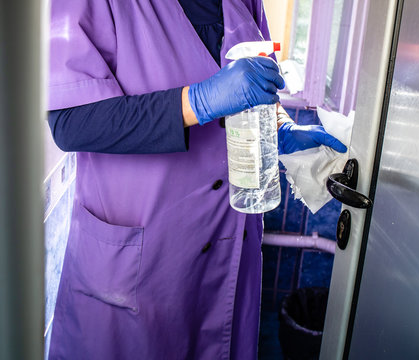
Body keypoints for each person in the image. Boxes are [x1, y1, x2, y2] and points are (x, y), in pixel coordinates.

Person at [47, 0, 346, 359]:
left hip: (230, 241)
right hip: (142, 259)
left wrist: (281, 127)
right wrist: (199, 102)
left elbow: (255, 82)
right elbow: (70, 123)